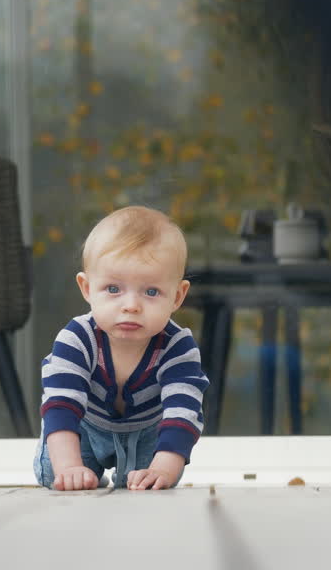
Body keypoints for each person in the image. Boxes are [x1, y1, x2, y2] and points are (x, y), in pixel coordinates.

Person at [33, 206, 209, 491]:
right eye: (113, 289)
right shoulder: (77, 339)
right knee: (53, 473)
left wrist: (163, 468)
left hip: (148, 431)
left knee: (156, 481)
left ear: (177, 296)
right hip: (86, 426)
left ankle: (142, 472)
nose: (131, 305)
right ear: (87, 288)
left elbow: (183, 411)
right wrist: (69, 467)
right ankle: (88, 471)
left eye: (151, 292)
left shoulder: (178, 346)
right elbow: (62, 404)